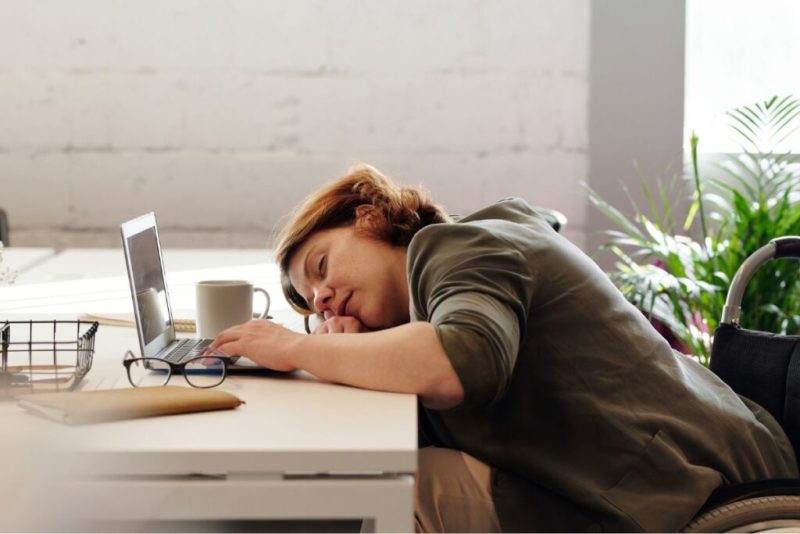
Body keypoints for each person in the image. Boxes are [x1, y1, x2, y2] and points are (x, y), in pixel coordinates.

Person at [211, 164, 798, 532]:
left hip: (684, 488)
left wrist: (296, 349)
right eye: (309, 300)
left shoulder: (458, 248)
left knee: (380, 488)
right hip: (659, 471)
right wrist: (349, 355)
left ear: (368, 218)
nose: (322, 298)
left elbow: (462, 363)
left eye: (320, 267)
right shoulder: (444, 277)